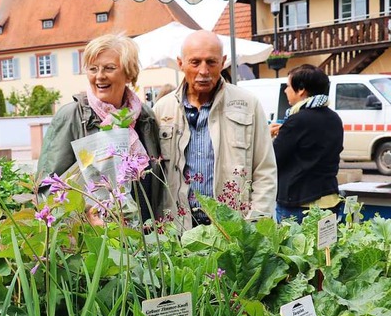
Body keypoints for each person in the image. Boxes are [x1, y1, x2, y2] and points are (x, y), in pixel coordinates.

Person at [153, 30, 277, 230]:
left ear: (223, 62)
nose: (204, 71)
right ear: (181, 63)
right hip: (181, 230)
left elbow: (265, 170)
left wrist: (254, 223)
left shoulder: (247, 104)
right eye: (195, 62)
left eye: (211, 62)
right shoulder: (162, 109)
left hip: (233, 227)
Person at [37, 33, 163, 222]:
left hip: (142, 236)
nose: (99, 76)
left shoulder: (145, 117)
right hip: (94, 239)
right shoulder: (72, 116)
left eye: (109, 68)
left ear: (129, 73)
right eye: (93, 68)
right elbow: (46, 188)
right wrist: (85, 216)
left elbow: (154, 183)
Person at [271, 64, 343, 223]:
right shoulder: (334, 118)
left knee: (293, 247)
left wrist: (266, 136)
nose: (285, 91)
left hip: (299, 203)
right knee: (327, 248)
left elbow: (272, 159)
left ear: (301, 89)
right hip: (330, 200)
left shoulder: (297, 120)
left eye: (288, 86)